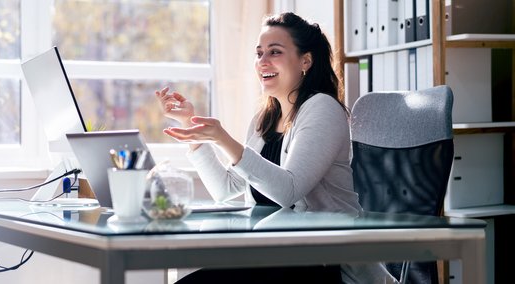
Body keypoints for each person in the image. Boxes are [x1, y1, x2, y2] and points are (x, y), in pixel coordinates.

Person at [155, 11, 396, 284]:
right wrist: (194, 130)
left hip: (324, 263)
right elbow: (225, 190)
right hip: (273, 255)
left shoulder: (322, 109)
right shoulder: (264, 119)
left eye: (275, 52)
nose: (262, 62)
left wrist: (224, 139)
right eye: (259, 53)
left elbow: (287, 191)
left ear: (305, 60)